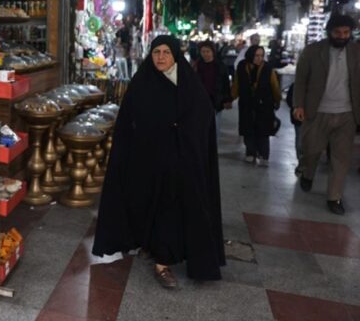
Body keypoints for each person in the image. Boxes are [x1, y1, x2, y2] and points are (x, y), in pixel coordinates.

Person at [92, 35, 225, 289]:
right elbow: (128, 120)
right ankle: (149, 244)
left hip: (180, 162)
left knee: (170, 209)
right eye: (156, 52)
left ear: (175, 55)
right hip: (147, 161)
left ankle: (163, 262)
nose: (161, 57)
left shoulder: (188, 82)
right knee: (146, 204)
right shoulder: (142, 82)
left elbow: (203, 114)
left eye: (166, 52)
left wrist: (183, 134)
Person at [292, 13, 360, 215]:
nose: (342, 36)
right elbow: (301, 80)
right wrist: (298, 105)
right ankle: (307, 172)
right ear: (329, 32)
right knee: (311, 150)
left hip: (347, 113)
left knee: (341, 159)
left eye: (346, 32)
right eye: (338, 32)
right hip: (317, 111)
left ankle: (334, 197)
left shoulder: (356, 52)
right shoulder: (313, 51)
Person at [232, 46, 280, 166]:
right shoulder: (242, 66)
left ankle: (264, 155)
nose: (259, 58)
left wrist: (277, 100)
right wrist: (230, 98)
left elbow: (274, 85)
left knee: (263, 131)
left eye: (261, 56)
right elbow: (236, 84)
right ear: (250, 55)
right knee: (248, 129)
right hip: (246, 103)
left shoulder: (268, 68)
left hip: (264, 104)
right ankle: (250, 153)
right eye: (256, 55)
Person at [194, 40, 232, 138]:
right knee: (201, 129)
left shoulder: (220, 66)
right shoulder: (197, 66)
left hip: (216, 101)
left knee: (215, 128)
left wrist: (227, 99)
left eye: (208, 51)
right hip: (200, 102)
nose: (205, 54)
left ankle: (213, 146)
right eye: (203, 51)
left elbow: (226, 84)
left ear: (213, 52)